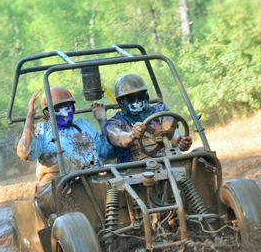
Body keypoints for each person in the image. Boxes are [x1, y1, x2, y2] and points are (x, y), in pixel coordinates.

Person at [17, 87, 114, 215]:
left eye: (67, 106)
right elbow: (25, 152)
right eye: (58, 107)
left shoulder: (84, 126)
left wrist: (102, 121)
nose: (63, 111)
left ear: (73, 108)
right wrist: (30, 116)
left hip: (93, 178)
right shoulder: (42, 131)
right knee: (73, 196)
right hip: (58, 184)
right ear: (47, 113)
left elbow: (107, 151)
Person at [104, 74, 192, 163]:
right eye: (130, 99)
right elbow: (119, 138)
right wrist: (132, 135)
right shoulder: (114, 123)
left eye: (140, 96)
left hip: (168, 161)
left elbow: (170, 131)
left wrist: (180, 141)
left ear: (146, 96)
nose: (137, 101)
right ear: (120, 101)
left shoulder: (160, 110)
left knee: (201, 153)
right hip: (135, 170)